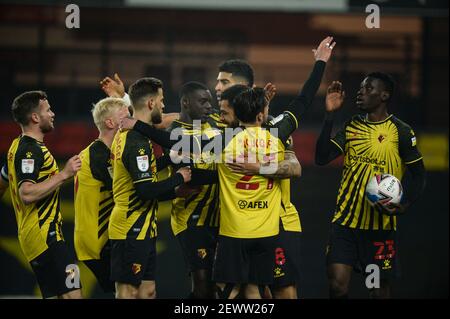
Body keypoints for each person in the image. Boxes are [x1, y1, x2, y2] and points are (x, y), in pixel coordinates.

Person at [119, 36, 335, 298]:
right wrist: (320, 63)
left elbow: (176, 140)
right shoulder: (275, 131)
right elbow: (301, 102)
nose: (217, 91)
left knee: (241, 292)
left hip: (249, 226)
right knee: (252, 291)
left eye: (224, 86)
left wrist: (138, 125)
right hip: (254, 227)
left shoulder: (223, 140)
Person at [315, 76, 426, 298]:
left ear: (384, 95)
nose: (360, 91)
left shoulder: (401, 132)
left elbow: (419, 174)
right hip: (345, 226)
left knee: (376, 290)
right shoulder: (352, 125)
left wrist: (404, 204)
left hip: (379, 230)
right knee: (337, 287)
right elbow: (321, 157)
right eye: (360, 87)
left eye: (368, 88)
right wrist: (329, 116)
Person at [109, 77, 192, 299]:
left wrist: (172, 180)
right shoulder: (135, 140)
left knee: (148, 292)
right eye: (162, 100)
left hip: (143, 227)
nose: (164, 106)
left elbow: (145, 175)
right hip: (130, 228)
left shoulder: (137, 136)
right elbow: (145, 190)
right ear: (151, 104)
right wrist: (179, 178)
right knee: (128, 292)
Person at [6, 91, 82, 299]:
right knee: (73, 293)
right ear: (35, 117)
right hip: (44, 235)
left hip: (36, 236)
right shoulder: (30, 150)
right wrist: (64, 174)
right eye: (48, 110)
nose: (53, 114)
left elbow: (5, 177)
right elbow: (26, 194)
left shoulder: (16, 146)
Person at [167, 81, 222, 299]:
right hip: (191, 218)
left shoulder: (215, 124)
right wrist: (227, 176)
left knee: (220, 285)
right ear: (186, 103)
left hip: (220, 216)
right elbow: (191, 176)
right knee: (202, 285)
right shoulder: (176, 133)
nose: (210, 106)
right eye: (203, 101)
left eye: (210, 101)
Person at [74, 97, 130, 294]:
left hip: (97, 237)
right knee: (127, 291)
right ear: (110, 123)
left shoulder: (104, 152)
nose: (131, 121)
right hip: (98, 239)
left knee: (128, 291)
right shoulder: (97, 155)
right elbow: (127, 190)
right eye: (126, 117)